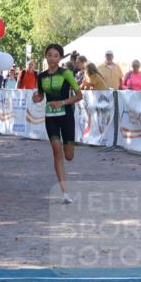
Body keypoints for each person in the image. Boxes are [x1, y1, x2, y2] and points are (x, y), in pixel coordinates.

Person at [32, 43, 83, 203]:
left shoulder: (66, 73)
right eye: (49, 55)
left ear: (60, 58)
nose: (52, 58)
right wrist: (36, 98)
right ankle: (65, 192)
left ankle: (68, 151)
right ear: (45, 56)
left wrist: (62, 103)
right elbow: (40, 95)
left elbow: (79, 95)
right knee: (56, 150)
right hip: (50, 117)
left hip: (66, 116)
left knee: (68, 156)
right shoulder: (41, 76)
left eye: (55, 55)